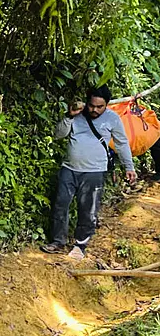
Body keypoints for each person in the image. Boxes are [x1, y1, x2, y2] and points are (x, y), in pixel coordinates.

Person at [41, 86, 136, 261]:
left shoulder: (112, 119)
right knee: (61, 205)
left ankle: (80, 245)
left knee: (87, 210)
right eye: (92, 106)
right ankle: (58, 241)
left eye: (100, 107)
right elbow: (58, 134)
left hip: (94, 172)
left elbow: (122, 143)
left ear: (106, 105)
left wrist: (129, 167)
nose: (94, 110)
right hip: (69, 168)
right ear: (87, 102)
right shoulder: (76, 113)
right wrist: (69, 116)